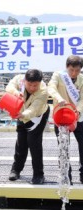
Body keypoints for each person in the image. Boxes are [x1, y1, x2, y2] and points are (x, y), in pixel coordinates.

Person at [6, 69, 50, 184]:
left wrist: (22, 115)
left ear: (40, 82)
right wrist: (16, 92)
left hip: (37, 116)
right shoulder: (19, 79)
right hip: (21, 112)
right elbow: (9, 87)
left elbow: (33, 110)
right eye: (29, 84)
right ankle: (16, 170)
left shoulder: (44, 91)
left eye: (35, 85)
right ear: (25, 80)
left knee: (33, 142)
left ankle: (39, 174)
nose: (32, 88)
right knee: (21, 142)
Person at [47, 55, 83, 184]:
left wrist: (78, 110)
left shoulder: (82, 79)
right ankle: (66, 176)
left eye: (77, 70)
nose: (74, 73)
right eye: (72, 70)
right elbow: (51, 87)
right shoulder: (58, 75)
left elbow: (82, 99)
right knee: (63, 147)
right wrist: (59, 98)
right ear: (67, 67)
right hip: (62, 117)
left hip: (79, 118)